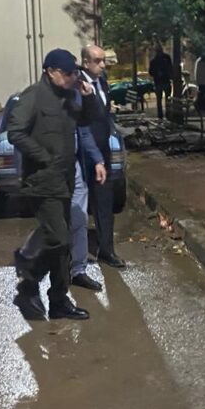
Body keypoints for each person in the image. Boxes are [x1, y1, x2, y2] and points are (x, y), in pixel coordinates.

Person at [6, 48, 100, 321]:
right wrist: (44, 156)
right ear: (51, 71)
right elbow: (15, 132)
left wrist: (88, 97)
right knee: (60, 238)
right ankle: (29, 277)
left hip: (64, 180)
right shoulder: (33, 95)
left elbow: (89, 120)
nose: (73, 78)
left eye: (75, 73)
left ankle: (59, 301)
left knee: (63, 247)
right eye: (68, 73)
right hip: (42, 182)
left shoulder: (69, 96)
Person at [80, 45, 126, 271]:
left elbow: (104, 114)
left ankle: (107, 250)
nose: (103, 65)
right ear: (85, 63)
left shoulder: (103, 81)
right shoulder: (77, 84)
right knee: (76, 205)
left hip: (103, 153)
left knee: (104, 203)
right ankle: (74, 257)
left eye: (104, 60)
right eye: (98, 61)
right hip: (81, 154)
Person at [148, 45, 174, 120]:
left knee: (165, 99)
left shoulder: (164, 58)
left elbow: (170, 68)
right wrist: (157, 73)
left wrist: (164, 73)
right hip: (160, 82)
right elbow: (151, 72)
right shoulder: (155, 61)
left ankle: (166, 114)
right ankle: (162, 115)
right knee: (161, 99)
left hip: (163, 81)